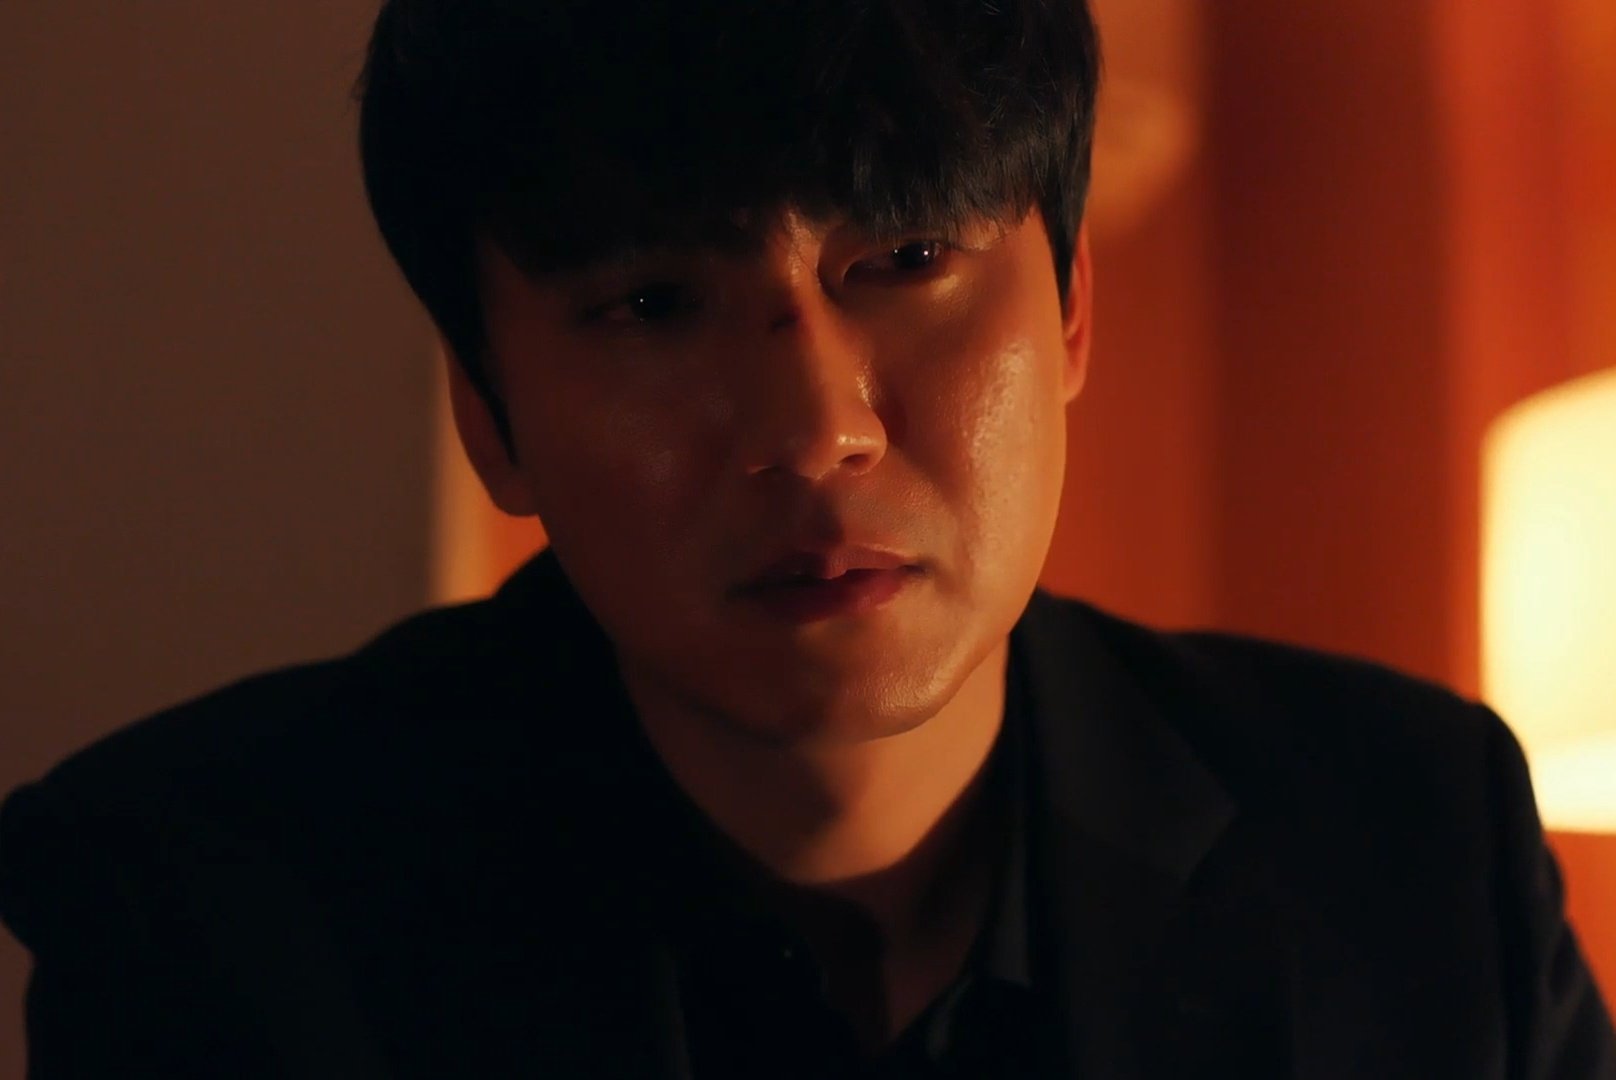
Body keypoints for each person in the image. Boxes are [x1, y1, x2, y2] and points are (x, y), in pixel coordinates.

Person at [2, 0, 1613, 1075]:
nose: (814, 425)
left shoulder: (1408, 846)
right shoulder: (208, 908)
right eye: (654, 305)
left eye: (903, 261)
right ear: (490, 414)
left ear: (1067, 310)